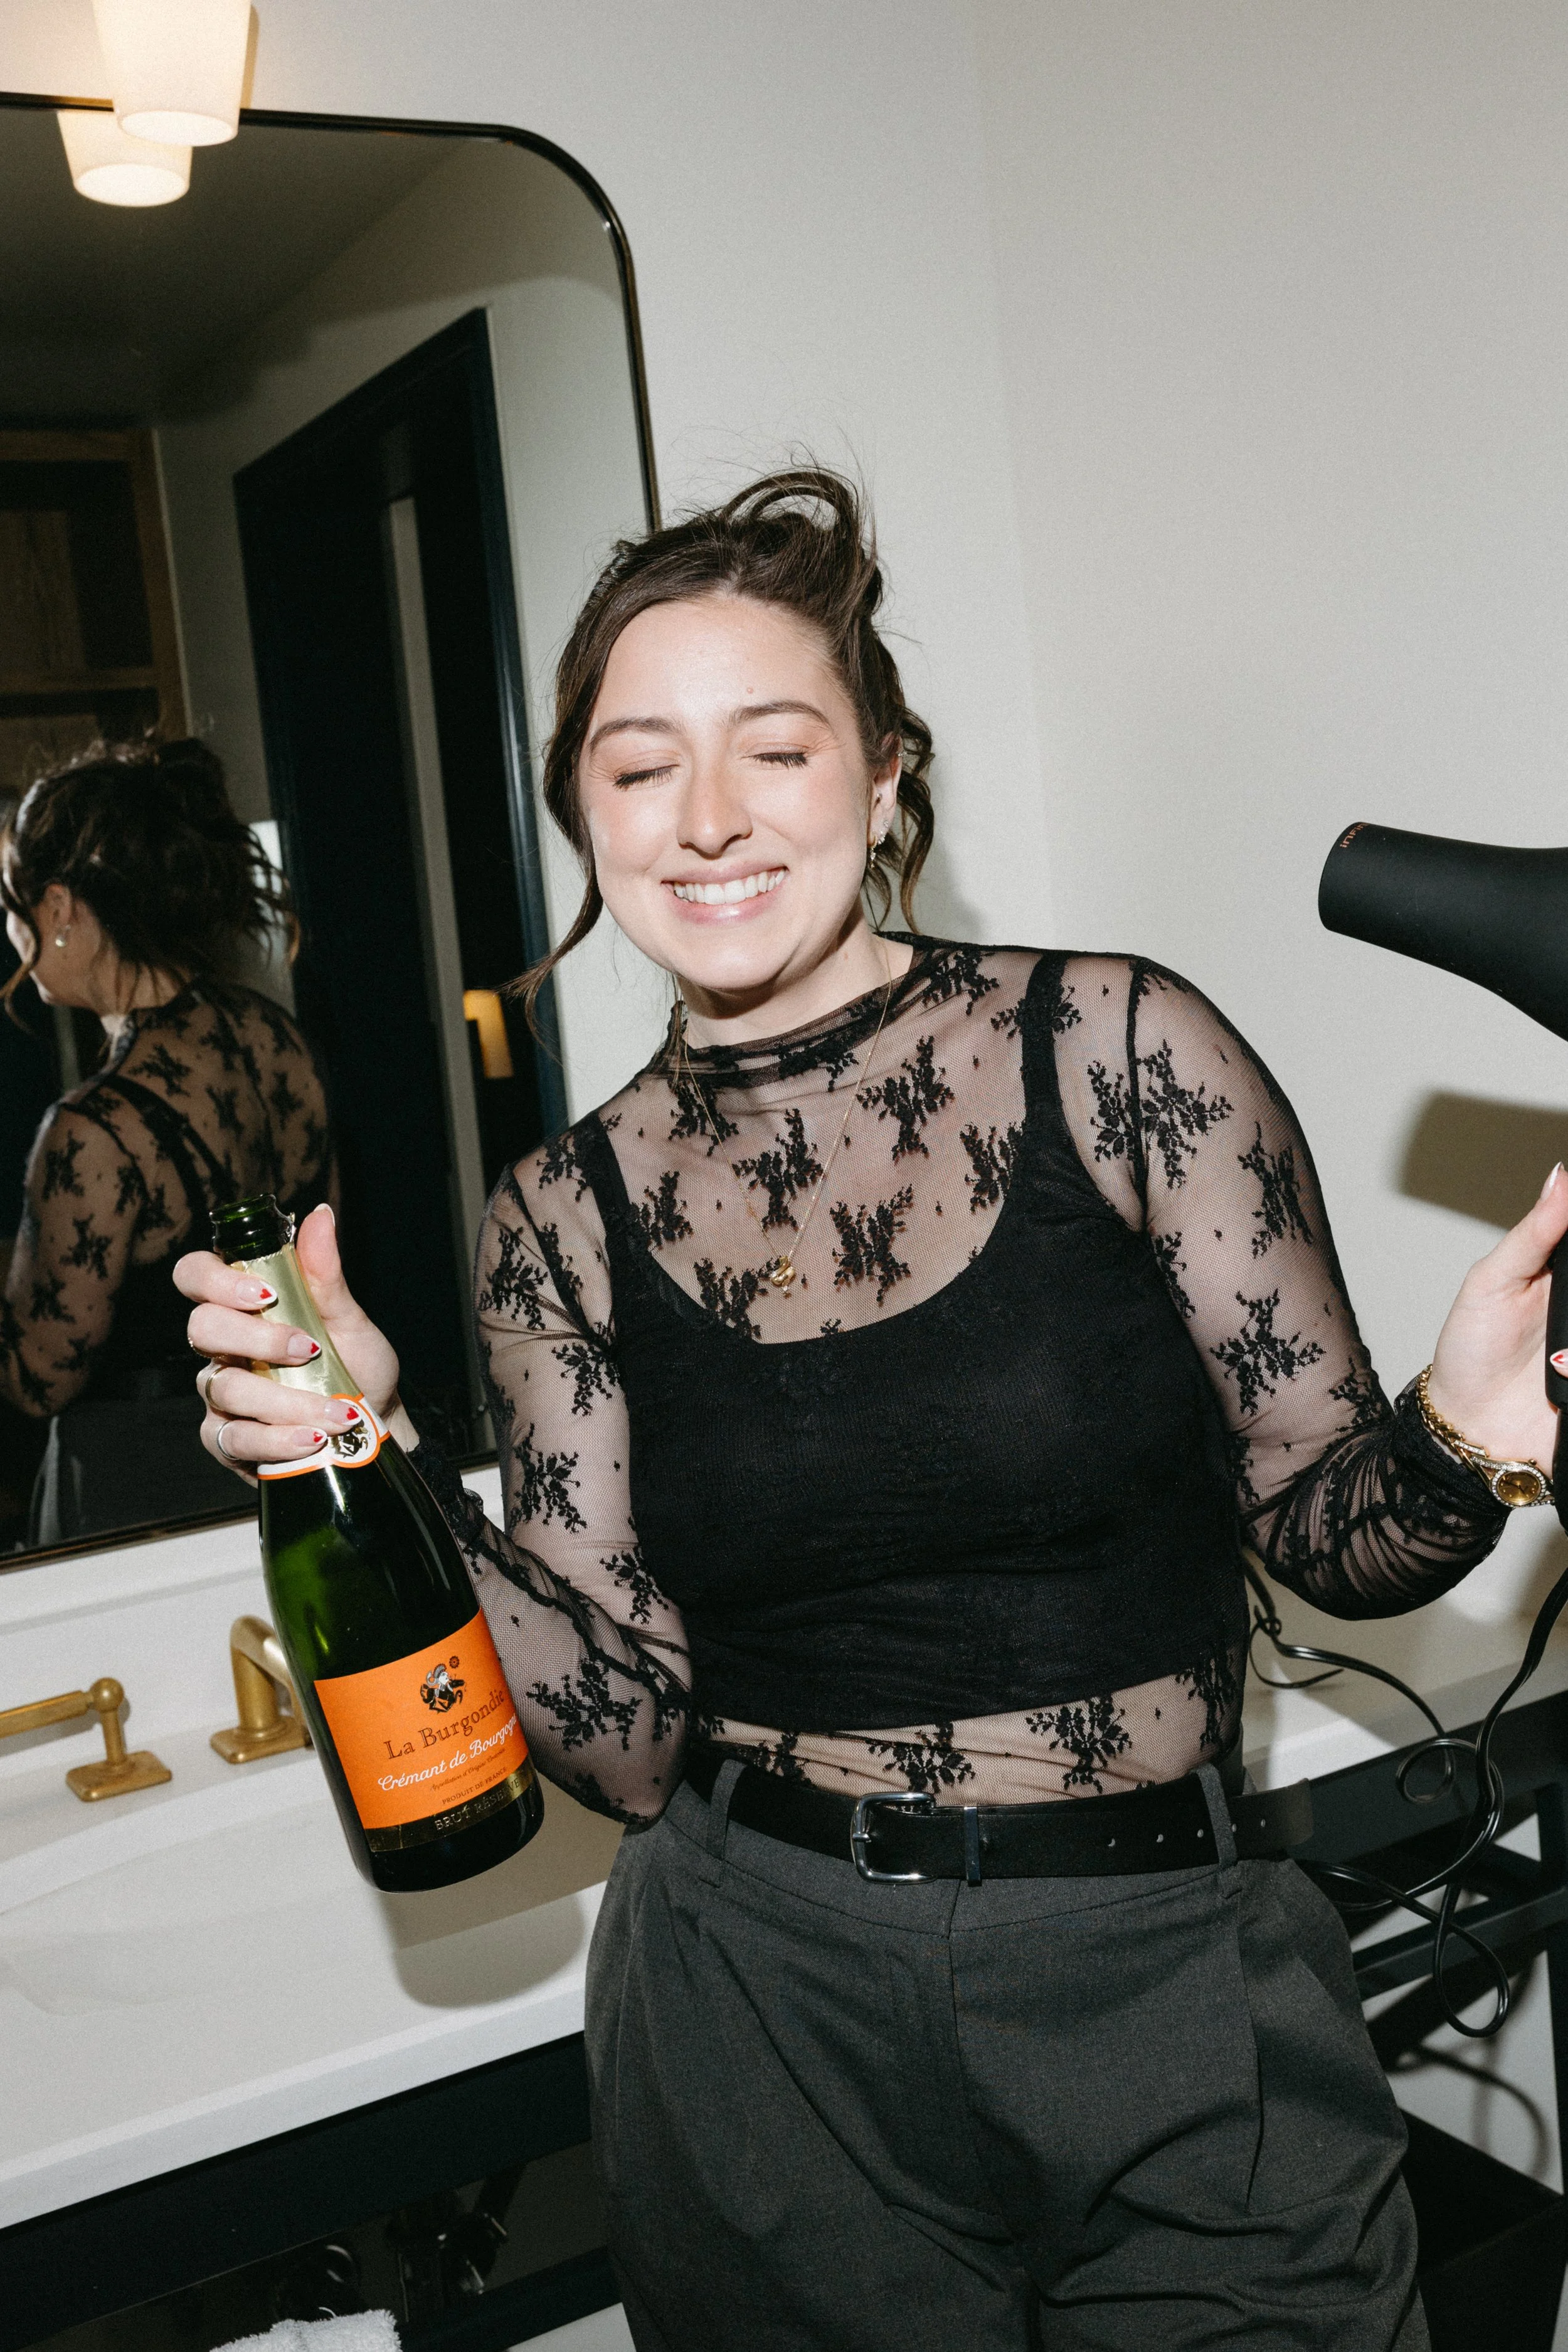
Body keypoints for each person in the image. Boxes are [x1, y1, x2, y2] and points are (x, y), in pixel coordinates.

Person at [177, 472, 1564, 2351]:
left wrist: (1470, 1420)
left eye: (776, 745)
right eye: (639, 764)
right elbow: (624, 1734)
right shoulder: (553, 1217)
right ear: (582, 809)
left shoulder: (1120, 1046)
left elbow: (1332, 1528)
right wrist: (378, 1451)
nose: (711, 817)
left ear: (885, 772)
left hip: (1166, 1975)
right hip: (757, 2005)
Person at [1, 738, 332, 1547]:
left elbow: (38, 1375)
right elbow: (320, 1272)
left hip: (138, 1492)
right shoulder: (276, 1039)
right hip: (285, 1438)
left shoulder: (91, 1130)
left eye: (13, 906)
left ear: (60, 909)